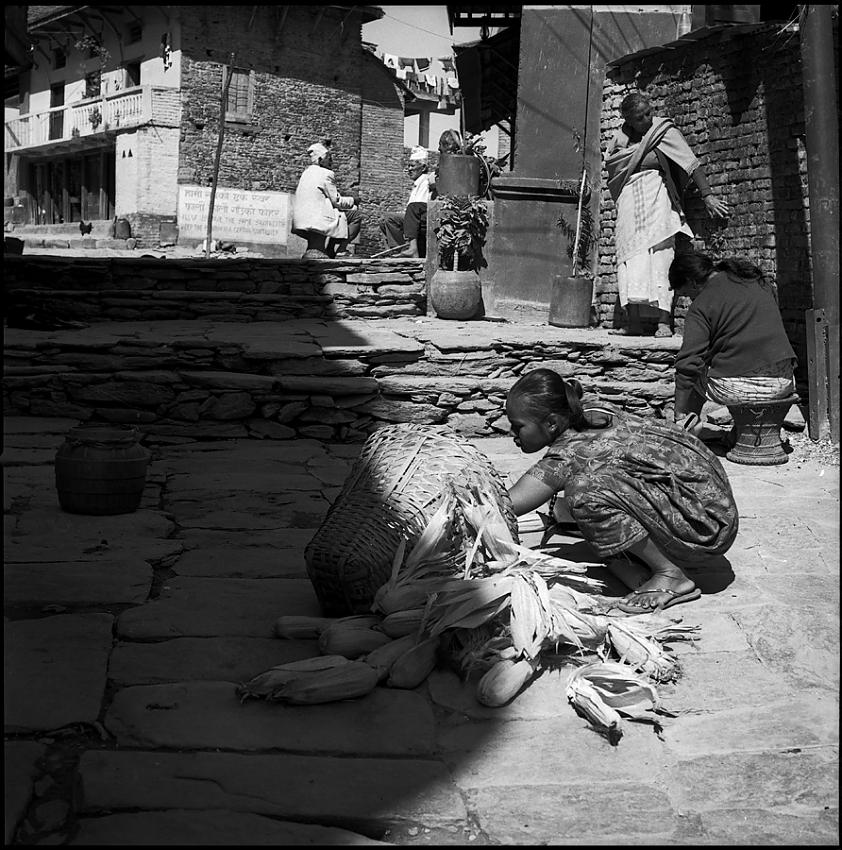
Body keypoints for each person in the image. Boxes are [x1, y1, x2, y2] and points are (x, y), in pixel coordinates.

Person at [505, 368, 738, 614]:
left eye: (517, 426)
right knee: (592, 494)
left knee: (584, 495)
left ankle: (670, 575)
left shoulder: (568, 454)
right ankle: (640, 555)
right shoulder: (594, 413)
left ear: (552, 423)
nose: (512, 433)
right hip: (711, 505)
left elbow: (507, 505)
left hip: (705, 528)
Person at [605, 92, 730, 337]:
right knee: (628, 258)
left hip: (658, 198)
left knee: (661, 256)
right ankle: (633, 322)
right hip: (630, 200)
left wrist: (707, 195)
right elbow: (614, 166)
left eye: (649, 111)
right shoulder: (620, 138)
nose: (647, 118)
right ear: (629, 120)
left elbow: (690, 163)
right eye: (640, 117)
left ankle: (664, 321)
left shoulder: (663, 130)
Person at [669, 251, 797, 437]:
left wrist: (678, 410)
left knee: (695, 372)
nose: (689, 300)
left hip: (741, 389)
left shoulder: (701, 305)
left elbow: (688, 364)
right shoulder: (757, 281)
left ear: (693, 281)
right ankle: (743, 432)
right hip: (785, 380)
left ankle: (686, 429)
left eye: (687, 294)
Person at [291, 142, 362, 258]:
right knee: (356, 215)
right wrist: (353, 200)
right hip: (318, 217)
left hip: (301, 218)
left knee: (340, 216)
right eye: (329, 158)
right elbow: (337, 201)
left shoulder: (306, 173)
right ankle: (341, 250)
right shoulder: (326, 174)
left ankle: (328, 249)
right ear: (320, 159)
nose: (331, 162)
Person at [379, 146, 436, 258]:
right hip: (414, 216)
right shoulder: (416, 184)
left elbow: (417, 207)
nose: (409, 169)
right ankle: (397, 249)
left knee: (391, 218)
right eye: (408, 166)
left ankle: (410, 249)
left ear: (423, 167)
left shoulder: (426, 182)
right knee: (383, 220)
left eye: (412, 166)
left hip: (421, 218)